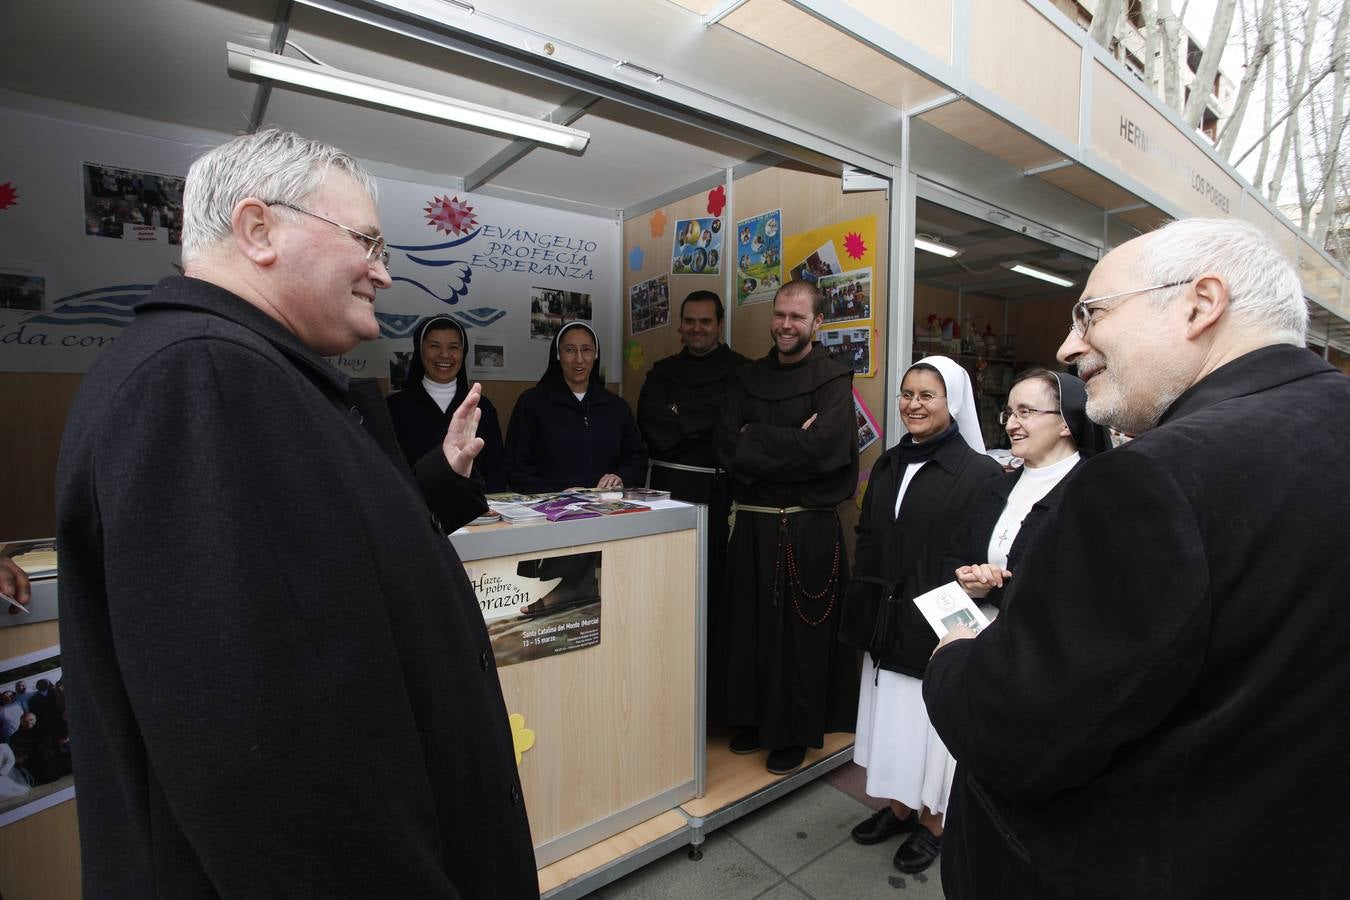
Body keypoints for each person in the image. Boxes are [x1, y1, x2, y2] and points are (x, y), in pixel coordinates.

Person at [55, 129, 538, 898]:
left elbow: (332, 561)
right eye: (366, 241)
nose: (382, 270)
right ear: (258, 230)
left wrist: (440, 478)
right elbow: (269, 753)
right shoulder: (201, 381)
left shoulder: (246, 374)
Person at [924, 217, 1350, 898]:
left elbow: (1014, 727)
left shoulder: (1155, 478)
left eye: (1091, 314)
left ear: (1200, 304)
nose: (1069, 346)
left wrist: (956, 658)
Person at [842, 357, 1001, 873]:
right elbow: (869, 534)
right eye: (907, 394)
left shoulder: (980, 473)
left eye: (926, 395)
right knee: (893, 721)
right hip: (886, 615)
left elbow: (980, 553)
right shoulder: (890, 462)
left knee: (931, 726)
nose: (912, 404)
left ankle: (935, 821)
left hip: (935, 622)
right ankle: (899, 805)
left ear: (951, 400)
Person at [713, 279, 859, 776]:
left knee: (800, 637)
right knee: (749, 629)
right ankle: (753, 719)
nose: (786, 325)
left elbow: (827, 449)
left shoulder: (836, 378)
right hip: (751, 528)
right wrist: (788, 446)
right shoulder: (744, 378)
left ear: (818, 323)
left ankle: (793, 731)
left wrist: (758, 440)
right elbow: (728, 449)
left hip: (809, 530)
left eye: (797, 317)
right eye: (780, 315)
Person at [636, 291, 748, 623]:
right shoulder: (662, 371)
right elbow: (650, 422)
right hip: (667, 491)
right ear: (680, 327)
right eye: (689, 321)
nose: (696, 328)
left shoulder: (742, 371)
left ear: (720, 325)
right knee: (668, 587)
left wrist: (679, 414)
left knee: (716, 589)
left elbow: (734, 425)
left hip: (719, 495)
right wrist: (705, 420)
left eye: (705, 321)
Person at [506, 321, 648, 492]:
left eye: (586, 350)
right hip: (549, 511)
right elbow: (516, 465)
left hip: (607, 510)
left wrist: (621, 478)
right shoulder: (532, 403)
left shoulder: (617, 407)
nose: (579, 359)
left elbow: (636, 458)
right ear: (558, 355)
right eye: (570, 350)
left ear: (596, 354)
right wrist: (554, 494)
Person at [387, 314, 507, 491]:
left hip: (474, 511)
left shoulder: (482, 407)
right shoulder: (394, 407)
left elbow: (497, 470)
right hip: (415, 512)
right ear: (420, 351)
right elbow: (390, 470)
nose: (444, 354)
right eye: (434, 346)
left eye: (454, 347)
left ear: (463, 353)